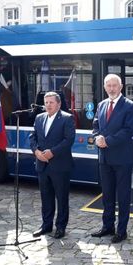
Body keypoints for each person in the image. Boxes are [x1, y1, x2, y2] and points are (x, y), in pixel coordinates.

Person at [91, 74, 133, 243]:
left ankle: (121, 230)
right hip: (105, 159)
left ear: (121, 86)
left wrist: (107, 141)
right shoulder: (101, 105)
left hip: (122, 159)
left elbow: (127, 131)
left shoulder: (129, 106)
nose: (111, 88)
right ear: (104, 87)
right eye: (108, 85)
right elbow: (95, 126)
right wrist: (96, 138)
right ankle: (107, 226)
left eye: (114, 85)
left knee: (123, 196)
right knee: (107, 194)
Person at [29, 92, 75, 239]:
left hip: (60, 166)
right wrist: (36, 151)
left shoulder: (67, 119)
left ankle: (61, 227)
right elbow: (33, 136)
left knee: (61, 198)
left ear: (59, 104)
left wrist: (52, 152)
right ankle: (46, 225)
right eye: (46, 102)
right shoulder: (39, 117)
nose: (48, 105)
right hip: (42, 165)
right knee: (45, 197)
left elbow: (69, 140)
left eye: (51, 102)